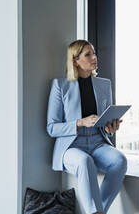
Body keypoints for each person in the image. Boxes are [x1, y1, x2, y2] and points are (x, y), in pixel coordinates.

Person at [47, 40, 127, 214]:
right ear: (75, 61)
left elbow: (104, 123)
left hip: (98, 142)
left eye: (94, 53)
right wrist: (80, 122)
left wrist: (109, 128)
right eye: (88, 54)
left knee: (119, 161)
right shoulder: (60, 86)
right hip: (71, 145)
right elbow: (52, 128)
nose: (94, 57)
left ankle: (98, 212)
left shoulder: (104, 85)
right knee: (84, 161)